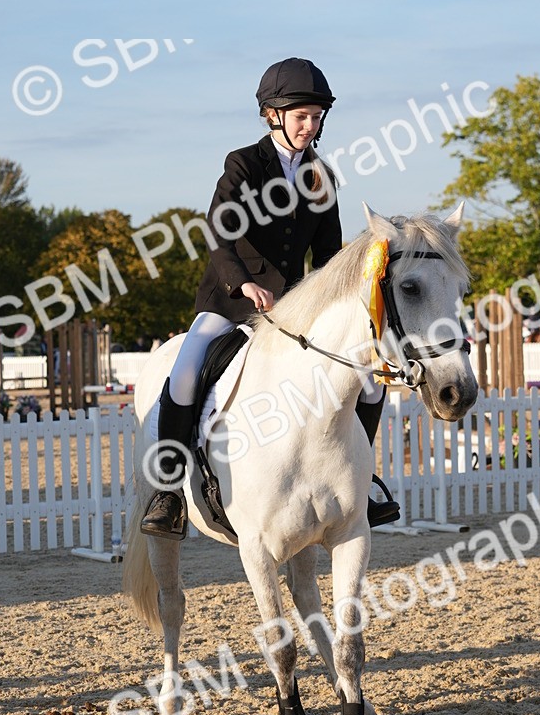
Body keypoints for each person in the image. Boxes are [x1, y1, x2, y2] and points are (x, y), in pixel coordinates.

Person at [141, 57, 398, 540]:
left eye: (317, 116)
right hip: (230, 300)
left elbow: (327, 256)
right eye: (302, 116)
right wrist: (243, 283)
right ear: (272, 115)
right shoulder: (243, 163)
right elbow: (219, 229)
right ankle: (168, 491)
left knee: (370, 382)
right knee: (187, 371)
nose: (310, 125)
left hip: (294, 309)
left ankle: (364, 481)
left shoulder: (320, 176)